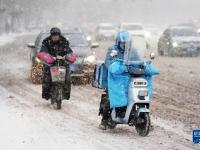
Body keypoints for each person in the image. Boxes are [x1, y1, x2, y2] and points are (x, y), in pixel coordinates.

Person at [99, 30, 132, 129]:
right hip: (115, 80)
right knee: (110, 99)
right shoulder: (113, 51)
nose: (124, 44)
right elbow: (108, 63)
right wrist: (117, 68)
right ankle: (104, 120)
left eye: (126, 42)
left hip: (129, 80)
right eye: (122, 42)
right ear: (118, 42)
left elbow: (138, 60)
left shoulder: (133, 51)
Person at [39, 27, 75, 100]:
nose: (55, 36)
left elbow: (69, 51)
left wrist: (68, 57)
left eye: (57, 35)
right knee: (46, 79)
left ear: (59, 35)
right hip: (50, 64)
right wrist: (48, 58)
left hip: (62, 63)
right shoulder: (46, 42)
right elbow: (43, 51)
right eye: (53, 35)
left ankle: (66, 93)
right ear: (51, 35)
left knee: (68, 79)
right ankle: (46, 94)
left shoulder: (64, 42)